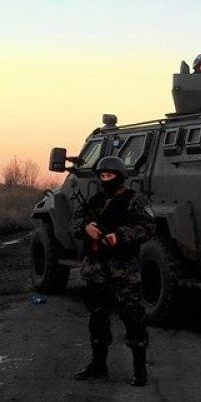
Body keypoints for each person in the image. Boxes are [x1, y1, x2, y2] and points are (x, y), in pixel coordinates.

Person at [71, 156, 156, 386]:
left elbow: (148, 227)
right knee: (97, 318)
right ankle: (98, 366)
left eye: (110, 176)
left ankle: (140, 371)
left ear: (119, 177)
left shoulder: (134, 200)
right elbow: (75, 222)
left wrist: (120, 235)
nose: (105, 179)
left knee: (133, 318)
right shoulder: (95, 200)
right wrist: (85, 228)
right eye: (102, 176)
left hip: (124, 270)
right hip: (97, 269)